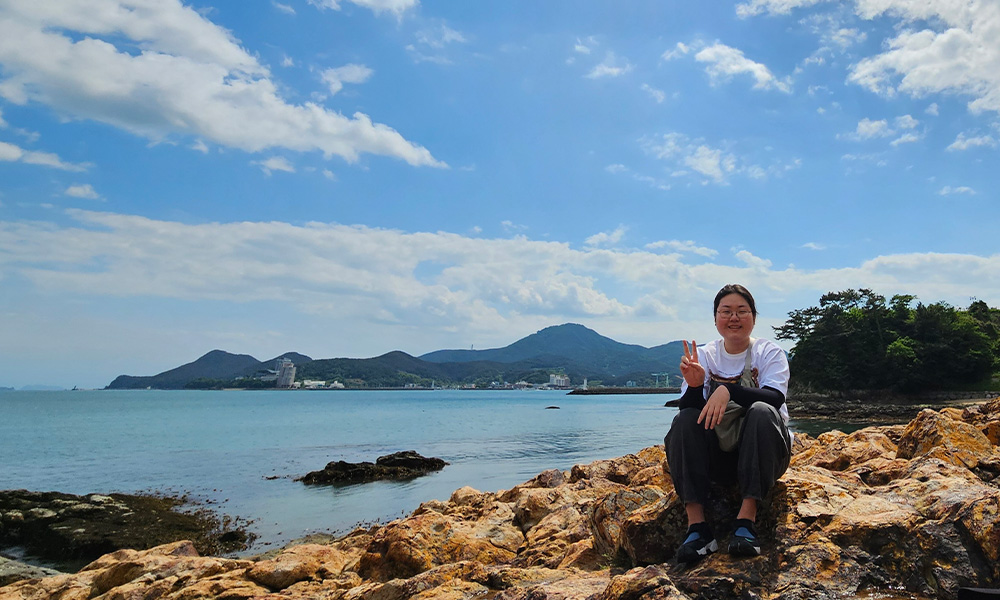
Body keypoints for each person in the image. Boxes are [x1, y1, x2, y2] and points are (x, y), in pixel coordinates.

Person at [664, 283, 791, 563]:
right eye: (726, 311)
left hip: (764, 454)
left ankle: (746, 522)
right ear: (715, 318)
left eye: (741, 311)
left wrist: (729, 390)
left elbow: (775, 398)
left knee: (760, 411)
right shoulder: (706, 355)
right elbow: (690, 414)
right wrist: (696, 387)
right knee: (683, 419)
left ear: (754, 318)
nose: (734, 317)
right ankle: (697, 529)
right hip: (718, 459)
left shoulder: (769, 353)